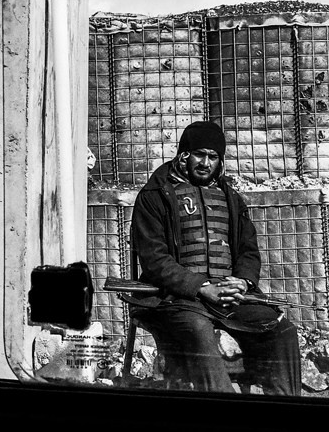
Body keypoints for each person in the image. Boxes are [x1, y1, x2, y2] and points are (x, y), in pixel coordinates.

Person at [126, 120, 302, 395]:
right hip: (176, 299)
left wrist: (242, 282)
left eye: (213, 157)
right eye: (200, 154)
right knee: (197, 330)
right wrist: (202, 288)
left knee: (282, 331)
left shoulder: (230, 198)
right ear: (184, 155)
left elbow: (248, 249)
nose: (206, 163)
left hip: (228, 297)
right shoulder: (155, 195)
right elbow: (155, 259)